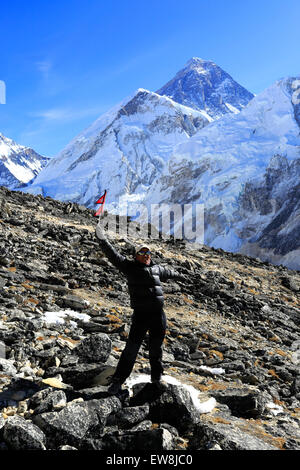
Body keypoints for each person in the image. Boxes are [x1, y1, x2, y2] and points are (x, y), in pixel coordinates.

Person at [95, 222, 186, 394]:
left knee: (156, 349)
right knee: (131, 349)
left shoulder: (157, 268)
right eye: (142, 252)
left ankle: (156, 378)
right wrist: (102, 239)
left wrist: (180, 276)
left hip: (158, 315)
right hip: (141, 316)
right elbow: (113, 255)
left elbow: (169, 272)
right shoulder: (129, 267)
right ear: (136, 255)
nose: (146, 255)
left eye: (148, 252)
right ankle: (117, 381)